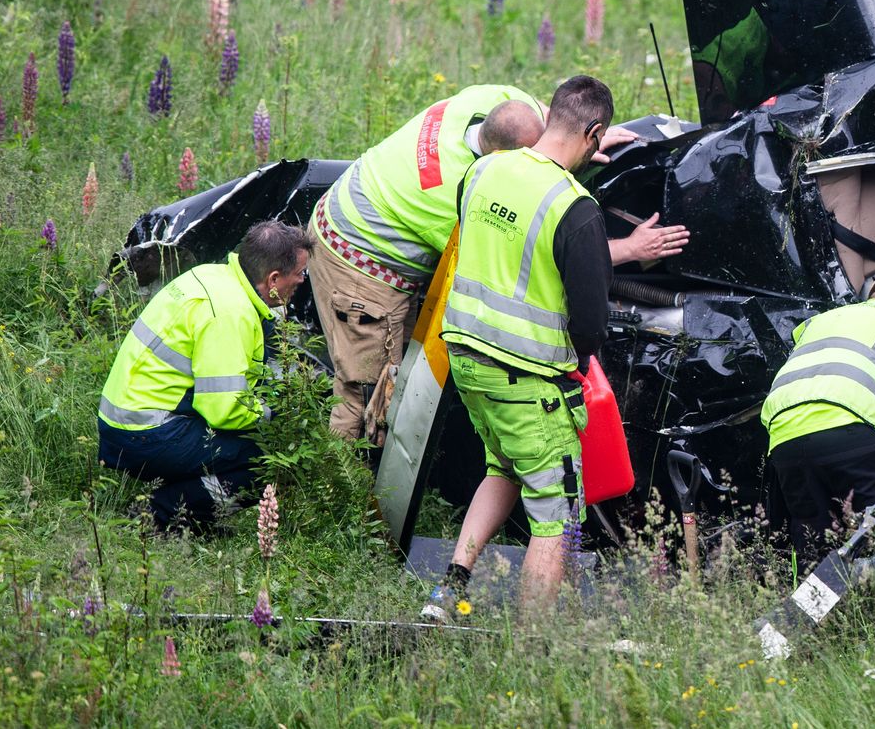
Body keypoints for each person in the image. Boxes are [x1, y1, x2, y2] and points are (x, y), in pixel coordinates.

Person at [311, 83, 686, 443]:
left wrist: (587, 140)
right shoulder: (453, 194)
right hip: (356, 262)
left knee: (404, 380)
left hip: (357, 203)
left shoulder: (490, 100)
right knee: (368, 397)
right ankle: (342, 496)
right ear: (498, 165)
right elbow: (534, 247)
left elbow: (548, 118)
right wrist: (631, 248)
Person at [422, 76, 619, 621]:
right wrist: (578, 363)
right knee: (556, 515)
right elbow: (592, 319)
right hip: (528, 379)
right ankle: (532, 648)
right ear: (594, 133)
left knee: (504, 468)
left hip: (465, 361)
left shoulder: (482, 170)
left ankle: (448, 590)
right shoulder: (575, 207)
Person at [96, 221, 311, 531]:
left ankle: (181, 497)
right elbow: (224, 409)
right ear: (274, 279)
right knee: (270, 459)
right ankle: (160, 516)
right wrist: (275, 417)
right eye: (300, 274)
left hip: (127, 419)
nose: (303, 281)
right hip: (144, 432)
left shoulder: (216, 275)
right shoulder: (229, 314)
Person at [760, 274, 875, 568]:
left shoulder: (820, 321)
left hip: (784, 436)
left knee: (817, 552)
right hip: (856, 427)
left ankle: (818, 610)